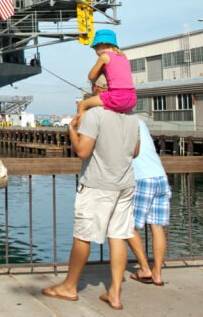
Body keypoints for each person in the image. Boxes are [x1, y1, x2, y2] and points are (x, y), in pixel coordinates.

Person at [42, 75, 140, 311]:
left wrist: (72, 131)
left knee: (83, 237)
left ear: (98, 91)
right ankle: (114, 293)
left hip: (97, 185)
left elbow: (83, 151)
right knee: (118, 236)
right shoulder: (132, 117)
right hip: (125, 184)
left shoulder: (95, 114)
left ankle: (69, 286)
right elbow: (135, 151)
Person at [126, 119, 171, 286]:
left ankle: (145, 268)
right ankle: (157, 274)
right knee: (157, 227)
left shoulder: (121, 122)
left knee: (126, 225)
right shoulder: (139, 121)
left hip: (141, 178)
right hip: (160, 177)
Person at [75, 30, 136, 124]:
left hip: (116, 97)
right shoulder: (124, 58)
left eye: (95, 49)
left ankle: (79, 131)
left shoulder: (104, 57)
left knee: (81, 105)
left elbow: (91, 76)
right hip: (132, 99)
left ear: (101, 46)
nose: (96, 52)